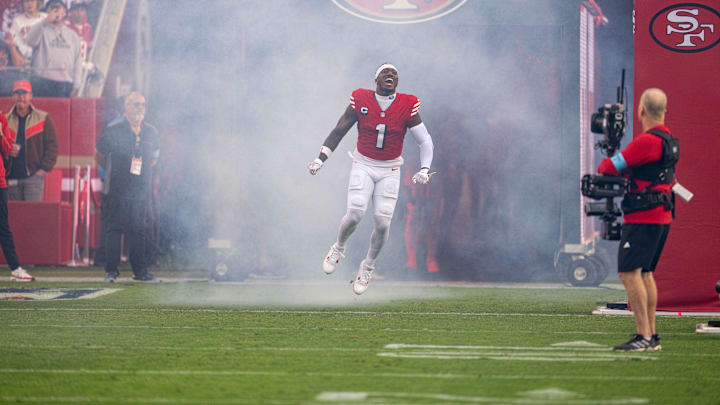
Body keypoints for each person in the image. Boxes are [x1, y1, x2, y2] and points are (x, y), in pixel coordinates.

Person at [308, 63, 434, 295]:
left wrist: (425, 168)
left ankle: (368, 266)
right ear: (375, 79)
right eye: (385, 72)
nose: (390, 75)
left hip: (391, 169)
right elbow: (339, 130)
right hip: (363, 163)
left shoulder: (407, 104)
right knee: (356, 212)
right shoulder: (361, 99)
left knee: (383, 222)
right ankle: (338, 248)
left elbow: (425, 141)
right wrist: (320, 159)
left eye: (395, 73)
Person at [597, 88, 677, 352]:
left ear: (642, 110)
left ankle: (643, 335)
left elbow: (607, 167)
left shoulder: (646, 142)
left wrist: (617, 159)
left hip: (644, 217)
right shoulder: (669, 141)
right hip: (661, 216)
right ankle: (651, 336)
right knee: (645, 274)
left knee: (629, 274)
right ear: (664, 111)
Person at [95, 92, 159, 282]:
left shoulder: (152, 132)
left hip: (140, 189)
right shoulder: (113, 129)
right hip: (118, 187)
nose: (139, 108)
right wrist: (113, 172)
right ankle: (111, 270)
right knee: (114, 228)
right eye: (135, 104)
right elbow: (99, 154)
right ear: (126, 108)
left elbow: (154, 159)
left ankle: (140, 271)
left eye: (142, 105)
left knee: (138, 229)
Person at [5, 80, 59, 201]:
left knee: (32, 217)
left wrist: (43, 169)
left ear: (31, 96)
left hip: (34, 179)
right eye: (18, 93)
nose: (21, 97)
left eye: (24, 93)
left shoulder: (43, 118)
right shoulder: (4, 120)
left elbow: (52, 146)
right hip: (10, 179)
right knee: (13, 218)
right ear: (13, 96)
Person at [0, 109, 34, 281]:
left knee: (3, 227)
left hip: (0, 182)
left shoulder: (1, 119)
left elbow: (8, 150)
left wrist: (0, 136)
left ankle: (15, 268)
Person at [25, 0, 82, 97]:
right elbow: (30, 41)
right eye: (52, 7)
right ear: (47, 11)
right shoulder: (41, 29)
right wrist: (45, 21)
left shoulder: (73, 35)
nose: (55, 10)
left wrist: (76, 85)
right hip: (41, 81)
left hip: (65, 83)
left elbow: (78, 61)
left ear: (64, 11)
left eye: (58, 7)